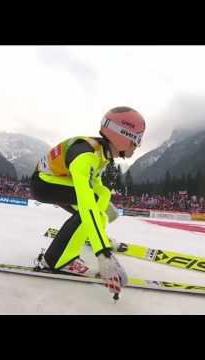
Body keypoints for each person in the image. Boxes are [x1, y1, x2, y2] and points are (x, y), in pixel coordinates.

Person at [30, 106, 146, 298]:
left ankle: (92, 235)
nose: (138, 145)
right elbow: (86, 202)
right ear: (122, 135)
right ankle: (56, 259)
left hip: (54, 180)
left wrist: (101, 223)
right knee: (92, 202)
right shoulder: (86, 155)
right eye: (137, 139)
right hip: (43, 183)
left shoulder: (100, 152)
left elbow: (97, 188)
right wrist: (103, 253)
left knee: (103, 194)